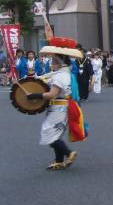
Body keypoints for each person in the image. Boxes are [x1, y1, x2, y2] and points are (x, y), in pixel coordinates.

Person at [26, 37, 85, 170]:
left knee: (49, 133)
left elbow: (52, 94)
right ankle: (58, 161)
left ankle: (69, 153)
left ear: (59, 62)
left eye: (53, 60)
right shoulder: (65, 73)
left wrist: (35, 95)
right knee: (55, 134)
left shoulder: (60, 76)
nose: (52, 62)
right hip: (63, 107)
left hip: (59, 108)